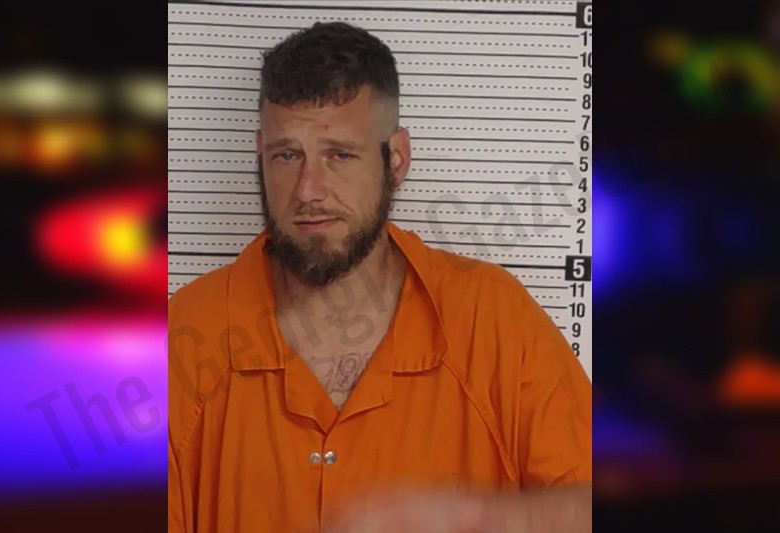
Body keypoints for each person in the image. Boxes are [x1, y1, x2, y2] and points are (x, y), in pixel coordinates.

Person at [168, 21, 591, 533]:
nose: (308, 190)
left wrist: (474, 518)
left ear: (397, 159)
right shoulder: (182, 338)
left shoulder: (493, 318)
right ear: (260, 154)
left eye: (340, 154)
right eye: (287, 155)